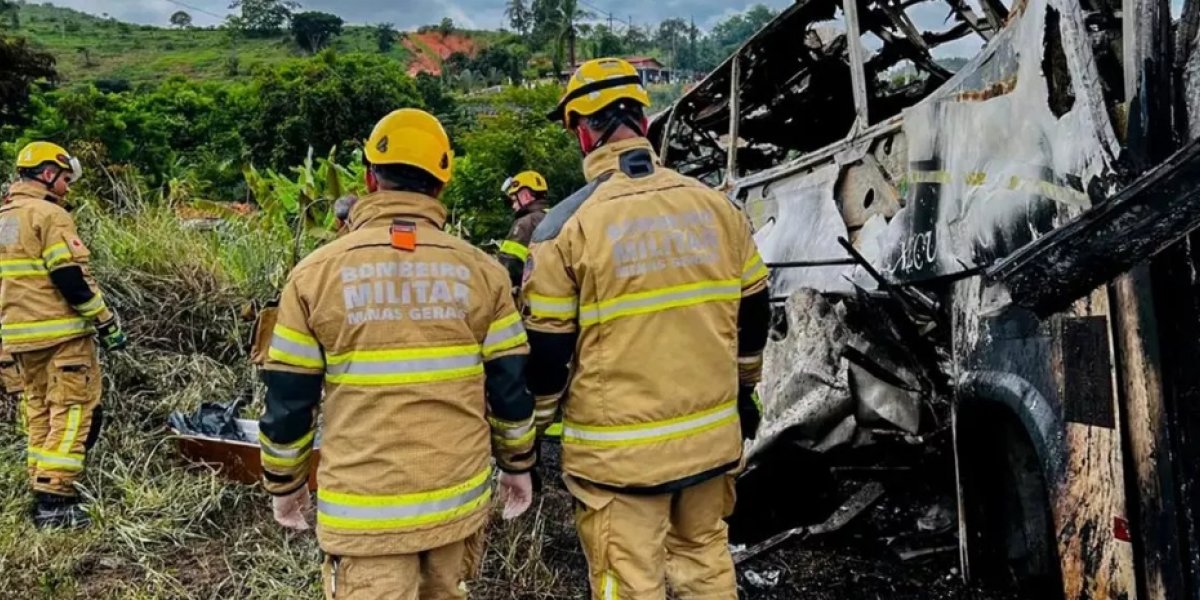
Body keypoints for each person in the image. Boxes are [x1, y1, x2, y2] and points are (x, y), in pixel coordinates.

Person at [258, 108, 537, 600]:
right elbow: (510, 387)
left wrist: (285, 485)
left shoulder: (313, 275)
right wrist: (518, 466)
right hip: (457, 501)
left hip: (364, 512)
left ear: (369, 178)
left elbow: (288, 398)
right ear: (441, 185)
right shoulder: (484, 274)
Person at [522, 58, 772, 599]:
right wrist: (745, 389)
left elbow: (547, 353)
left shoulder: (564, 229)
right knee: (706, 562)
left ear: (584, 130)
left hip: (619, 461)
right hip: (710, 442)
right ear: (644, 122)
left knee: (628, 583)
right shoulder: (717, 208)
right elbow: (755, 310)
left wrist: (531, 435)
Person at [1, 141, 128, 529]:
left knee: (39, 411)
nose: (68, 188)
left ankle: (41, 485)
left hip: (18, 339)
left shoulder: (4, 215)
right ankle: (56, 502)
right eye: (65, 179)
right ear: (46, 173)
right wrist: (106, 322)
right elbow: (69, 278)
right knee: (74, 411)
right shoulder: (49, 215)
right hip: (61, 337)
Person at [497, 171, 549, 293]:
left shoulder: (525, 223)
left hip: (532, 297)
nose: (513, 206)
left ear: (525, 196)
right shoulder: (553, 215)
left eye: (514, 200)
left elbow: (510, 265)